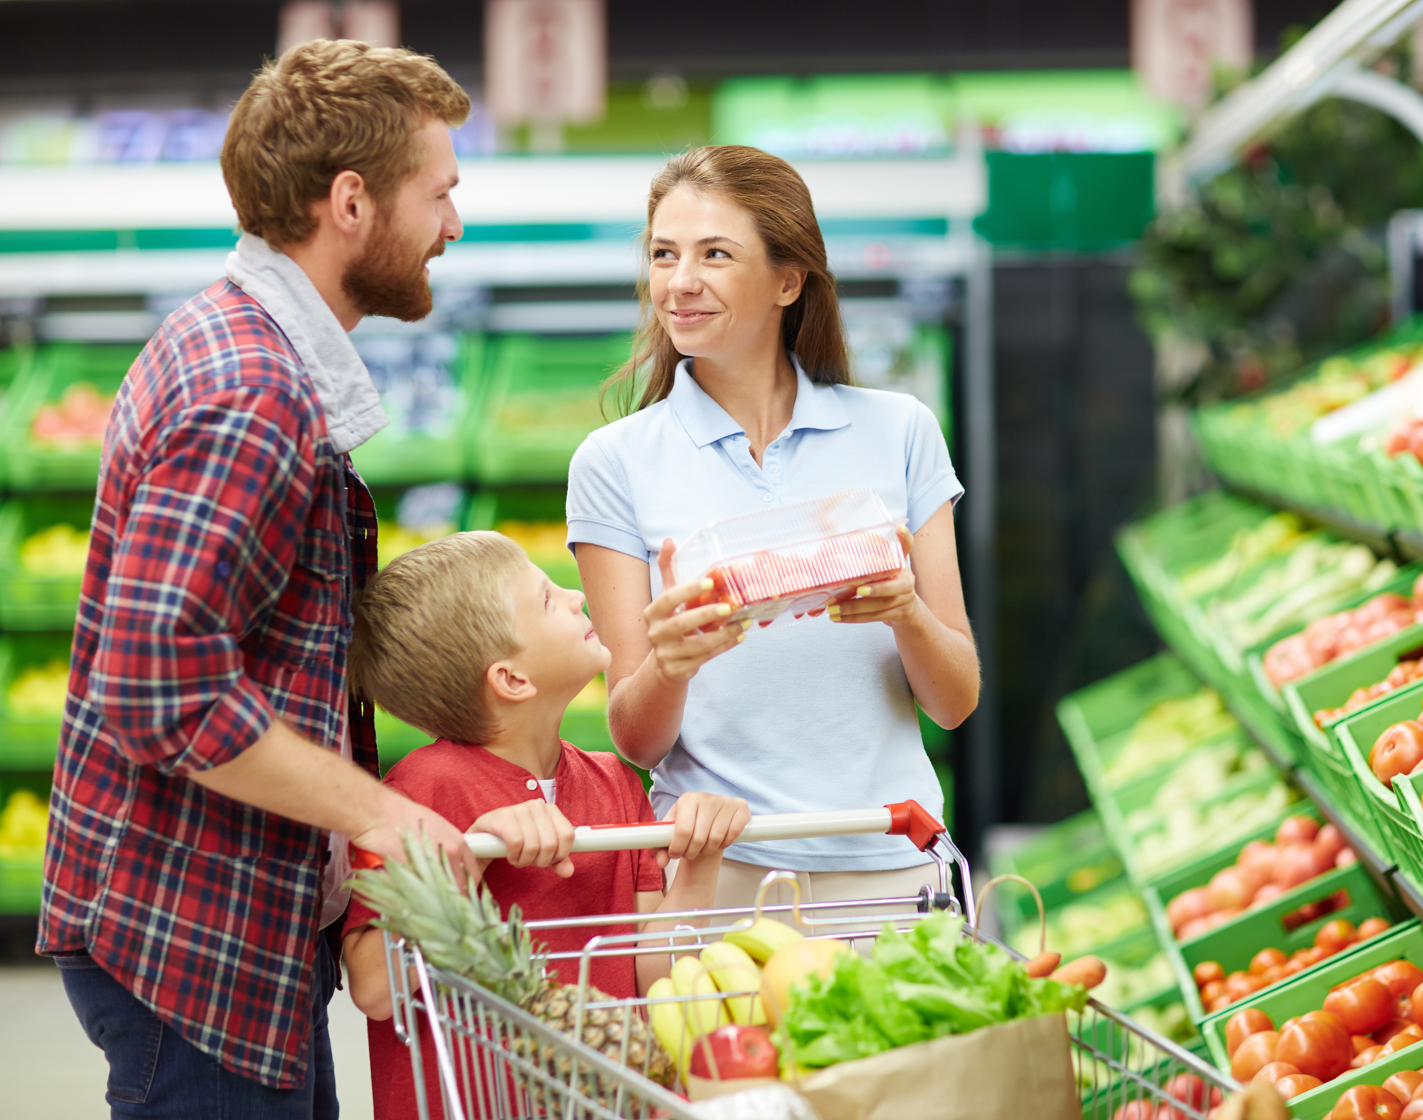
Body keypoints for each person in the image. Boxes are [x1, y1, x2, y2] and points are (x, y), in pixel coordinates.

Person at [38, 40, 479, 1118]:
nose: (453, 227)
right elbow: (163, 687)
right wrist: (392, 816)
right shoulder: (254, 392)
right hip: (189, 930)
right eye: (439, 194)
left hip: (216, 913)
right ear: (350, 203)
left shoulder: (239, 344)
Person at [567, 145, 981, 911]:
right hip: (718, 875)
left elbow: (955, 701)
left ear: (788, 281)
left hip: (889, 862)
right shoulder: (614, 461)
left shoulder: (900, 432)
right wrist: (672, 662)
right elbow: (636, 739)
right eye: (664, 254)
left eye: (715, 254)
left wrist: (904, 613)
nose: (679, 282)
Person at [340, 531, 750, 1120]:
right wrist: (472, 851)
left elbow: (654, 971)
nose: (576, 596)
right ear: (511, 679)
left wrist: (701, 856)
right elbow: (377, 989)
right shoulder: (416, 794)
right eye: (546, 598)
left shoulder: (614, 780)